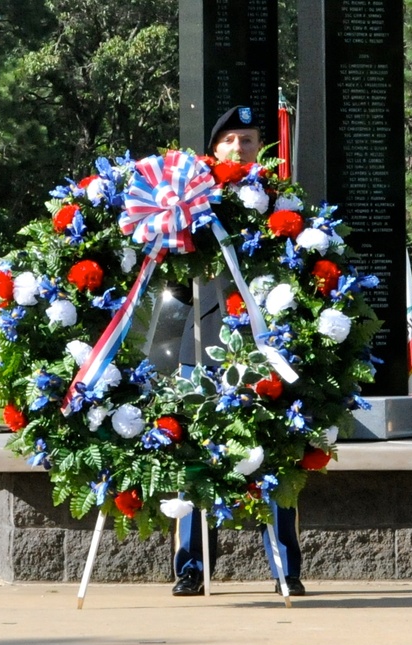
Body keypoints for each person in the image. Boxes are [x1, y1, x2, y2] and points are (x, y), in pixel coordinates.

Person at [171, 104, 306, 598]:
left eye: (248, 140)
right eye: (230, 140)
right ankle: (191, 566)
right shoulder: (190, 204)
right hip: (201, 346)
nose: (239, 148)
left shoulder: (282, 205)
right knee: (196, 459)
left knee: (276, 457)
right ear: (214, 150)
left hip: (265, 350)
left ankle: (285, 567)